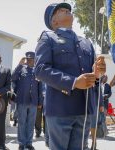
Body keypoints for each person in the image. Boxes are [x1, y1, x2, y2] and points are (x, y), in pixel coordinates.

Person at [34, 2, 106, 150]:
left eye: (68, 9)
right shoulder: (48, 38)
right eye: (60, 10)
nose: (67, 10)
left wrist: (97, 74)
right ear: (53, 21)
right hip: (60, 110)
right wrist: (73, 82)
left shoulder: (86, 43)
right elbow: (40, 69)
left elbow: (93, 76)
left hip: (84, 109)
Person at [12, 52, 42, 150]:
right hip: (22, 100)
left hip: (33, 101)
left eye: (32, 59)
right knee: (21, 122)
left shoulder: (37, 71)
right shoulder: (21, 69)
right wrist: (19, 65)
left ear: (35, 60)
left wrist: (40, 102)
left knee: (31, 123)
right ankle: (21, 143)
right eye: (28, 59)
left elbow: (40, 88)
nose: (30, 61)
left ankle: (29, 143)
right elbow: (13, 78)